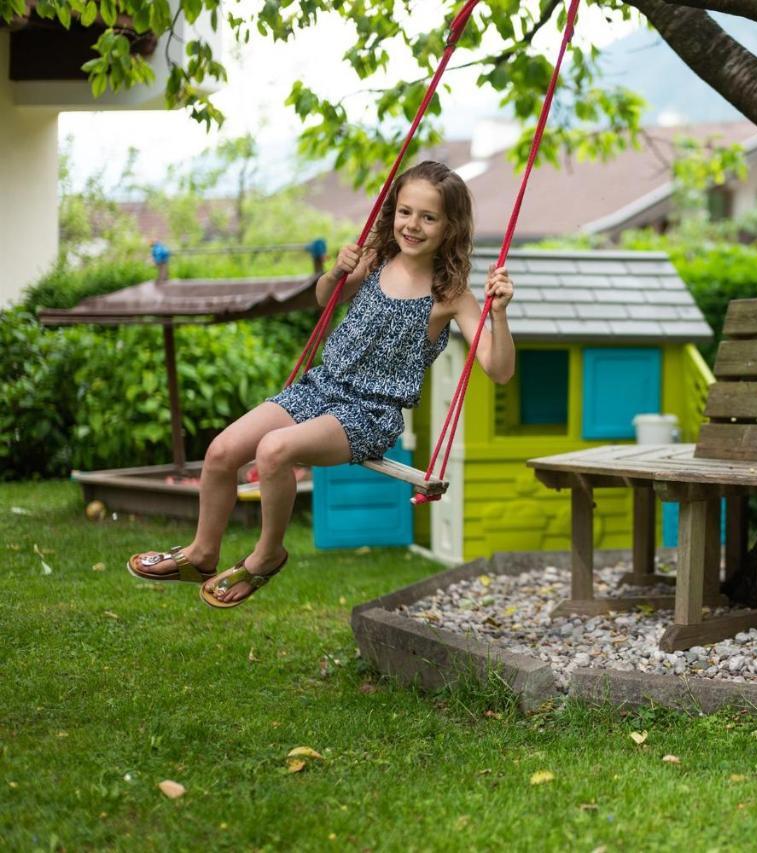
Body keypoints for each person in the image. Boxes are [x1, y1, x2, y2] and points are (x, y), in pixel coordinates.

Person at [126, 161, 515, 608]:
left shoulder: (452, 297)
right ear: (393, 212)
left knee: (274, 449)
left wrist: (498, 314)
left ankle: (267, 554)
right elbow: (326, 299)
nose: (413, 225)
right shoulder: (375, 259)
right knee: (220, 452)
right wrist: (334, 273)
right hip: (319, 387)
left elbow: (499, 369)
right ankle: (201, 553)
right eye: (406, 212)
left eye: (429, 217)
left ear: (450, 227)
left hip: (368, 412)